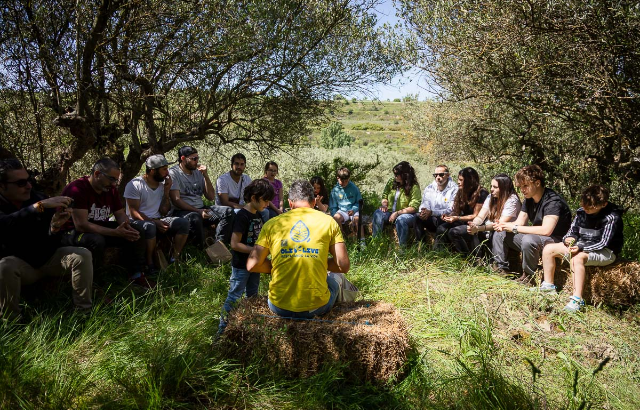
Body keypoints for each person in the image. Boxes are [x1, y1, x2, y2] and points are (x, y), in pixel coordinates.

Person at [0, 158, 93, 320]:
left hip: (46, 259)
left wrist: (55, 227)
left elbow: (51, 240)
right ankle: (11, 320)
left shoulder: (37, 198)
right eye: (21, 183)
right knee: (4, 266)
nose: (29, 186)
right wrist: (38, 207)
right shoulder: (39, 203)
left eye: (29, 180)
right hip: (21, 265)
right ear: (2, 186)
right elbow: (5, 224)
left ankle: (83, 313)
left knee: (82, 255)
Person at [247, 180, 350, 318]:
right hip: (316, 308)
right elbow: (343, 265)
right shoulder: (328, 222)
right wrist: (317, 261)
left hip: (279, 306)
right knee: (336, 277)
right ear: (314, 202)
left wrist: (281, 264)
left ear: (290, 203)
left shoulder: (272, 224)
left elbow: (252, 265)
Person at [60, 158, 150, 288]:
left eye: (116, 180)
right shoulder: (77, 189)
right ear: (97, 174)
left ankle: (136, 274)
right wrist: (115, 232)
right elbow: (81, 225)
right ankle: (95, 284)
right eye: (111, 179)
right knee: (96, 241)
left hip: (99, 228)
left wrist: (126, 227)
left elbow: (120, 214)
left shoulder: (110, 190)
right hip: (72, 232)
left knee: (137, 231)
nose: (114, 184)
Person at [538, 185, 623, 312]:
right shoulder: (581, 212)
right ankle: (548, 287)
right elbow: (572, 231)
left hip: (605, 251)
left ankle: (577, 299)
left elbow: (603, 243)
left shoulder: (611, 218)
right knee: (548, 249)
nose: (586, 208)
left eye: (591, 206)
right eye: (584, 205)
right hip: (580, 245)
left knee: (577, 258)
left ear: (603, 204)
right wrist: (568, 238)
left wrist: (580, 247)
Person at [494, 165, 572, 284]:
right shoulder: (529, 199)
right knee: (500, 233)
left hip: (556, 240)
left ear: (537, 183)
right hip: (538, 238)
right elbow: (520, 222)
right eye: (520, 187)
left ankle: (529, 277)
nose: (522, 190)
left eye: (525, 186)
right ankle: (501, 269)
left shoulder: (552, 201)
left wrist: (514, 227)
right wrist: (504, 225)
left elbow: (546, 230)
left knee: (529, 240)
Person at [219, 179, 275, 332]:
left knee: (252, 296)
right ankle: (222, 329)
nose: (267, 204)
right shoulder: (242, 216)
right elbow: (235, 244)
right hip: (241, 266)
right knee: (234, 296)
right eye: (265, 200)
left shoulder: (259, 215)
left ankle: (249, 327)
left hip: (255, 265)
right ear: (253, 197)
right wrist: (255, 251)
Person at [124, 154, 189, 274]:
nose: (167, 172)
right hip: (139, 221)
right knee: (150, 227)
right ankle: (150, 263)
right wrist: (154, 222)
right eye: (164, 169)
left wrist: (166, 190)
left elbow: (164, 211)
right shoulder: (135, 185)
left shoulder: (162, 185)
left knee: (183, 223)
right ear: (153, 171)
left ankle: (174, 258)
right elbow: (133, 212)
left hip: (158, 218)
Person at [169, 146, 234, 246]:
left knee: (228, 211)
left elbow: (210, 197)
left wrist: (206, 176)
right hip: (182, 211)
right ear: (183, 158)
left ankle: (219, 245)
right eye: (193, 159)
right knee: (195, 218)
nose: (197, 161)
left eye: (197, 158)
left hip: (201, 209)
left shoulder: (198, 171)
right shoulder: (174, 173)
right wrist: (198, 211)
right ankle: (200, 248)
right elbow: (176, 200)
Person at [467, 173, 521, 264]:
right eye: (491, 186)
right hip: (491, 228)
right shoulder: (490, 197)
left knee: (497, 232)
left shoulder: (512, 200)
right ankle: (478, 261)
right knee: (469, 231)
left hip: (508, 232)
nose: (491, 189)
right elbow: (480, 216)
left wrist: (479, 228)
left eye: (495, 187)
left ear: (504, 188)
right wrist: (474, 224)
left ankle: (500, 266)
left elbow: (500, 224)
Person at [434, 167, 489, 254]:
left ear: (469, 181)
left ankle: (465, 257)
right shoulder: (461, 191)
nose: (458, 182)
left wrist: (457, 218)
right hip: (463, 221)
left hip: (476, 224)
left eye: (461, 180)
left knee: (454, 232)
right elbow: (456, 211)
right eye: (458, 179)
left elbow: (476, 216)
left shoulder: (481, 193)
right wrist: (449, 216)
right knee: (441, 228)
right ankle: (438, 253)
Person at [372, 161, 421, 246]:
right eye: (394, 174)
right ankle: (376, 243)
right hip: (390, 212)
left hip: (407, 214)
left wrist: (397, 213)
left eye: (397, 174)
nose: (395, 176)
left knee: (401, 219)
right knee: (378, 213)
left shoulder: (414, 187)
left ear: (405, 175)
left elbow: (414, 207)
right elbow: (385, 195)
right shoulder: (391, 182)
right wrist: (384, 205)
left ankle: (402, 248)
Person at [415, 164, 459, 241]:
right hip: (431, 218)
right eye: (435, 175)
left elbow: (451, 210)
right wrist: (423, 212)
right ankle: (420, 244)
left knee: (442, 224)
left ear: (448, 175)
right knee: (417, 217)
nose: (438, 177)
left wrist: (432, 212)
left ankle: (438, 247)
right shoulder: (429, 188)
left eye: (441, 175)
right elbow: (424, 203)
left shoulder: (454, 189)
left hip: (445, 218)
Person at [329, 167, 362, 236]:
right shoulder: (335, 190)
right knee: (336, 218)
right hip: (342, 210)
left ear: (349, 179)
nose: (344, 183)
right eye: (342, 181)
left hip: (353, 209)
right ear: (338, 178)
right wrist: (334, 214)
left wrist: (354, 210)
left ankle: (362, 239)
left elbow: (359, 202)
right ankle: (341, 237)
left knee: (357, 220)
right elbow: (333, 207)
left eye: (346, 181)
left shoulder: (354, 188)